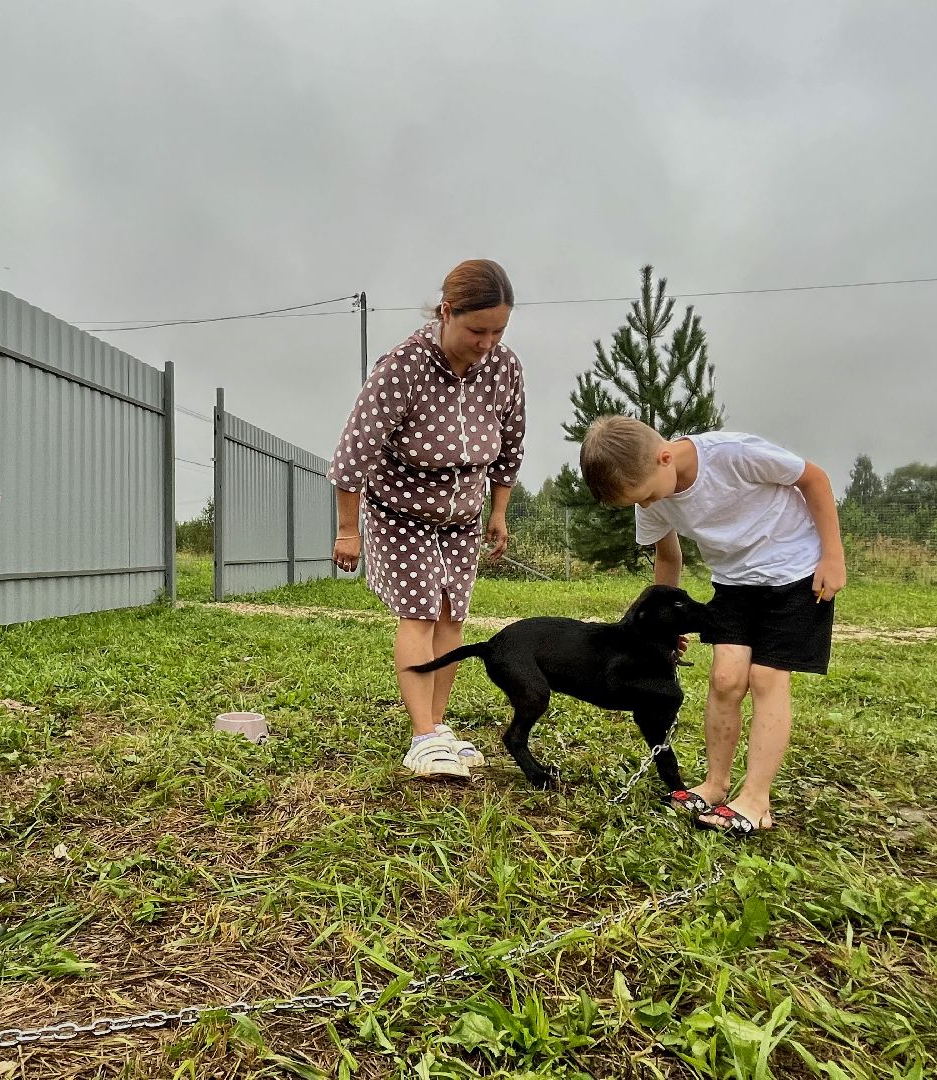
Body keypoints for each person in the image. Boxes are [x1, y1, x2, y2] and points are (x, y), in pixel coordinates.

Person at [579, 416, 846, 835]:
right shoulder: (651, 495)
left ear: (664, 458)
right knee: (724, 678)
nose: (647, 505)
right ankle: (716, 785)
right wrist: (663, 627)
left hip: (794, 573)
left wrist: (833, 556)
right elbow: (669, 559)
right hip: (734, 582)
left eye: (647, 496)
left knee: (766, 678)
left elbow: (813, 478)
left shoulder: (733, 454)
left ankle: (756, 800)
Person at [328, 259, 526, 780]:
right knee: (418, 614)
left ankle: (436, 730)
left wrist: (498, 510)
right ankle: (422, 736)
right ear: (446, 312)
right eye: (476, 330)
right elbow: (355, 452)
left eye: (498, 330)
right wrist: (348, 530)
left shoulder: (504, 368)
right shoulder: (405, 365)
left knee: (451, 618)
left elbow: (509, 446)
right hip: (401, 511)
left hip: (462, 515)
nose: (487, 342)